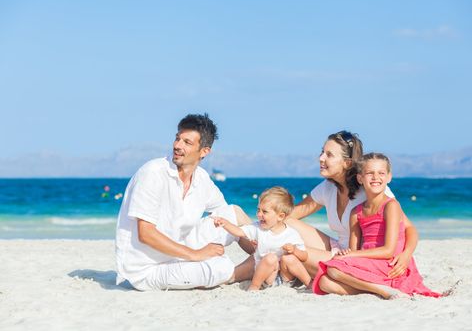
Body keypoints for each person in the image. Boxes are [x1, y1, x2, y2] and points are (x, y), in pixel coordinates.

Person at [235, 131, 418, 282]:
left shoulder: (371, 188)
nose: (321, 158)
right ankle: (259, 261)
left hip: (355, 258)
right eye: (322, 152)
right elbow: (293, 213)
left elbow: (409, 229)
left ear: (347, 163)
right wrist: (260, 227)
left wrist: (406, 255)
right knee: (286, 224)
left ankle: (237, 274)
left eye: (329, 155)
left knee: (288, 251)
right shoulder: (329, 187)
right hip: (337, 247)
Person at [115, 113, 253, 291]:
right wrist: (195, 255)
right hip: (146, 268)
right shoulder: (153, 173)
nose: (177, 146)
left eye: (187, 142)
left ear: (204, 151)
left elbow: (224, 214)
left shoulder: (201, 178)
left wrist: (260, 243)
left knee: (234, 213)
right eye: (177, 139)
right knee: (222, 266)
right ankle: (244, 271)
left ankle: (268, 257)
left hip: (178, 250)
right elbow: (146, 234)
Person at [312, 153, 442, 298]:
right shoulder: (356, 213)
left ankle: (383, 291)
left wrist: (351, 255)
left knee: (333, 270)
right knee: (324, 282)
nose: (375, 177)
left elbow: (388, 250)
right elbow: (353, 251)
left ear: (389, 177)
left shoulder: (391, 206)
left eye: (381, 173)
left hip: (390, 263)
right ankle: (376, 289)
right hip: (370, 263)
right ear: (360, 178)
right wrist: (347, 254)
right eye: (369, 173)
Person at [213, 187, 311, 291]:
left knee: (289, 258)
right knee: (270, 258)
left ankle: (310, 283)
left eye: (264, 212)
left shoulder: (291, 234)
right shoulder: (257, 228)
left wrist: (294, 250)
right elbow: (238, 232)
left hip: (286, 278)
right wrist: (225, 224)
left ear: (280, 216)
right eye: (258, 210)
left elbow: (304, 256)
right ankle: (254, 287)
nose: (259, 215)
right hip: (267, 276)